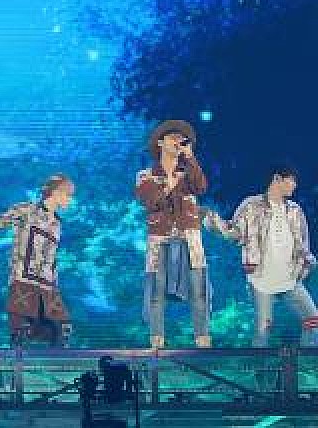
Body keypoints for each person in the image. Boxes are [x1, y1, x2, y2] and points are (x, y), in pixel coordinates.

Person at [205, 165, 318, 346]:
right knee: (263, 330)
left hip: (290, 280)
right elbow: (235, 232)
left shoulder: (295, 210)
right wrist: (210, 219)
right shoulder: (252, 206)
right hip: (262, 280)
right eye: (291, 180)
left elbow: (303, 244)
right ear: (277, 179)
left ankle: (306, 360)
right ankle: (260, 363)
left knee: (312, 321)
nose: (295, 185)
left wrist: (307, 264)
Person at [0, 175, 75, 347]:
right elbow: (1, 220)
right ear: (56, 192)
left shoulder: (56, 223)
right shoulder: (27, 210)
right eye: (68, 195)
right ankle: (17, 358)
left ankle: (51, 360)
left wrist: (54, 282)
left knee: (61, 328)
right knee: (21, 329)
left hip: (47, 284)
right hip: (23, 279)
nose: (70, 200)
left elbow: (51, 256)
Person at [135, 120, 211, 348]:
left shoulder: (188, 172)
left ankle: (202, 340)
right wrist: (169, 184)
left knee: (198, 290)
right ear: (160, 142)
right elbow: (150, 201)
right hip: (160, 238)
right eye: (173, 137)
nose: (178, 141)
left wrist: (190, 158)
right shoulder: (146, 175)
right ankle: (157, 342)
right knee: (157, 291)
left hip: (190, 238)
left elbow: (201, 187)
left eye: (182, 139)